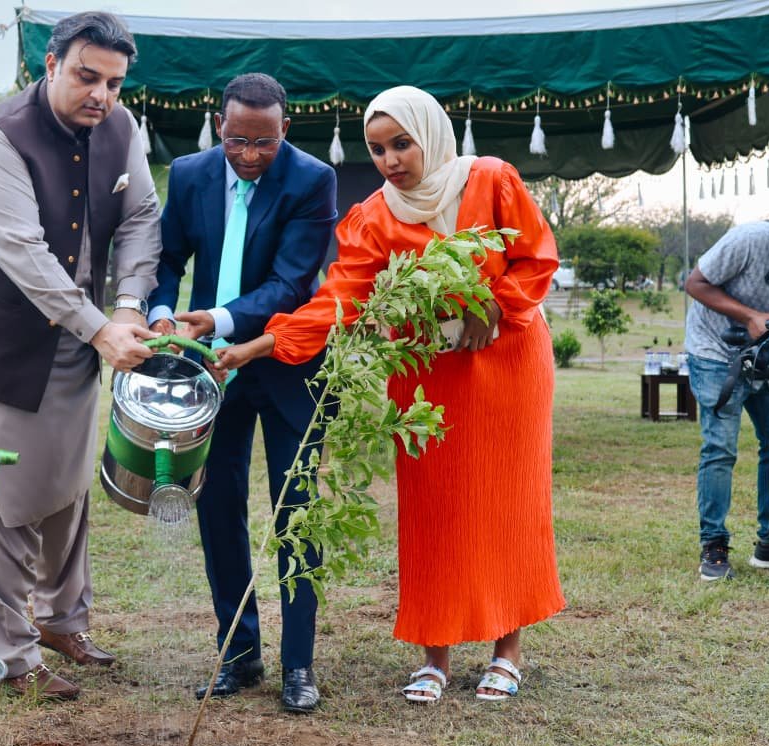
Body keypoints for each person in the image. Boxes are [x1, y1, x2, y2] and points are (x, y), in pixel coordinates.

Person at [218, 85, 565, 704]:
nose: (390, 160)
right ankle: (435, 655)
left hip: (509, 360)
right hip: (425, 371)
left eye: (401, 144)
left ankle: (507, 650)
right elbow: (339, 299)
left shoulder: (491, 180)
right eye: (377, 150)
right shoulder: (375, 216)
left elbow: (535, 259)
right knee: (433, 508)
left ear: (429, 134)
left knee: (507, 499)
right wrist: (258, 346)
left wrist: (492, 303)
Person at [0, 11, 159, 700]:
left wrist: (128, 305)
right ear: (49, 64)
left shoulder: (123, 129)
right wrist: (100, 329)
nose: (101, 95)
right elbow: (22, 251)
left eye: (114, 83)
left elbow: (142, 217)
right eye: (86, 76)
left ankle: (61, 622)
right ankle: (12, 656)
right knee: (1, 505)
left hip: (78, 344)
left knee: (67, 492)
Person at [146, 73, 337, 713]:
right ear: (218, 125)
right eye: (237, 140)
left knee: (296, 510)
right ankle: (238, 653)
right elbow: (167, 258)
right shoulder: (189, 173)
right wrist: (164, 312)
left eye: (264, 142)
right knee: (218, 505)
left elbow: (291, 282)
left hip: (286, 364)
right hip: (209, 367)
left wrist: (219, 319)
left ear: (286, 130)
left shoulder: (312, 180)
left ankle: (298, 665)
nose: (250, 155)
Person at [684, 218, 769, 581]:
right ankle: (714, 546)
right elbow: (694, 283)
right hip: (716, 354)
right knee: (720, 449)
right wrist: (750, 315)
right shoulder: (749, 240)